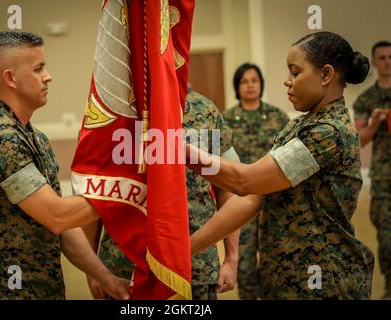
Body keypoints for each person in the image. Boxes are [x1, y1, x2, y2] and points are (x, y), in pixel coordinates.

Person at [187, 31, 375, 299]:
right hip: (286, 279)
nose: (287, 82)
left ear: (326, 75)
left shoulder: (329, 132)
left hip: (323, 281)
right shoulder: (299, 125)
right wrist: (186, 249)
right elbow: (252, 197)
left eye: (296, 73)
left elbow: (244, 180)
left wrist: (183, 153)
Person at [0, 31, 130, 300]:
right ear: (10, 78)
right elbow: (57, 215)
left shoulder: (34, 138)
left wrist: (104, 277)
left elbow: (63, 225)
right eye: (38, 69)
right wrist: (129, 191)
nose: (48, 76)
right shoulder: (1, 139)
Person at [86, 87, 241, 300]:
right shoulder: (116, 110)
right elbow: (95, 193)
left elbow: (228, 188)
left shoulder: (205, 111)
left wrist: (231, 259)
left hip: (194, 268)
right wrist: (93, 269)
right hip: (123, 269)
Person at [224, 63, 289, 299]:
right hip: (240, 200)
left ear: (261, 84)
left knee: (276, 260)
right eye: (244, 81)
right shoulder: (226, 119)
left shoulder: (277, 116)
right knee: (244, 264)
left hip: (274, 199)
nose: (250, 85)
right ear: (237, 86)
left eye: (254, 80)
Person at [353, 41, 391, 299]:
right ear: (374, 62)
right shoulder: (366, 100)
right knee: (387, 237)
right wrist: (376, 123)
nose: (388, 61)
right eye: (382, 58)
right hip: (383, 176)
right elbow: (361, 140)